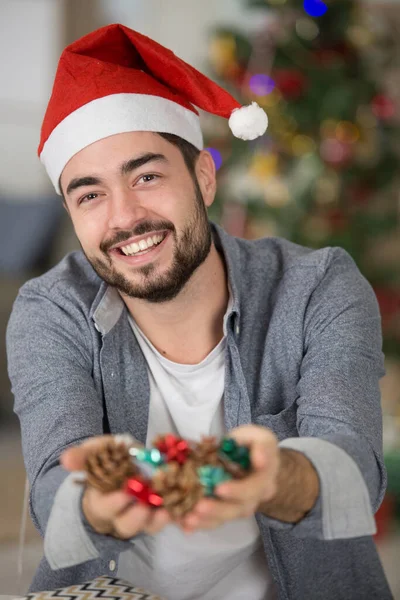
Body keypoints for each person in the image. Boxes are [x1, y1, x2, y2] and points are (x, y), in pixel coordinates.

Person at [6, 23, 392, 600]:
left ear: (204, 177)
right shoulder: (49, 311)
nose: (125, 217)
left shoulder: (319, 286)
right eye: (90, 194)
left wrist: (272, 478)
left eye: (147, 176)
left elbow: (355, 475)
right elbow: (52, 496)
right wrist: (97, 501)